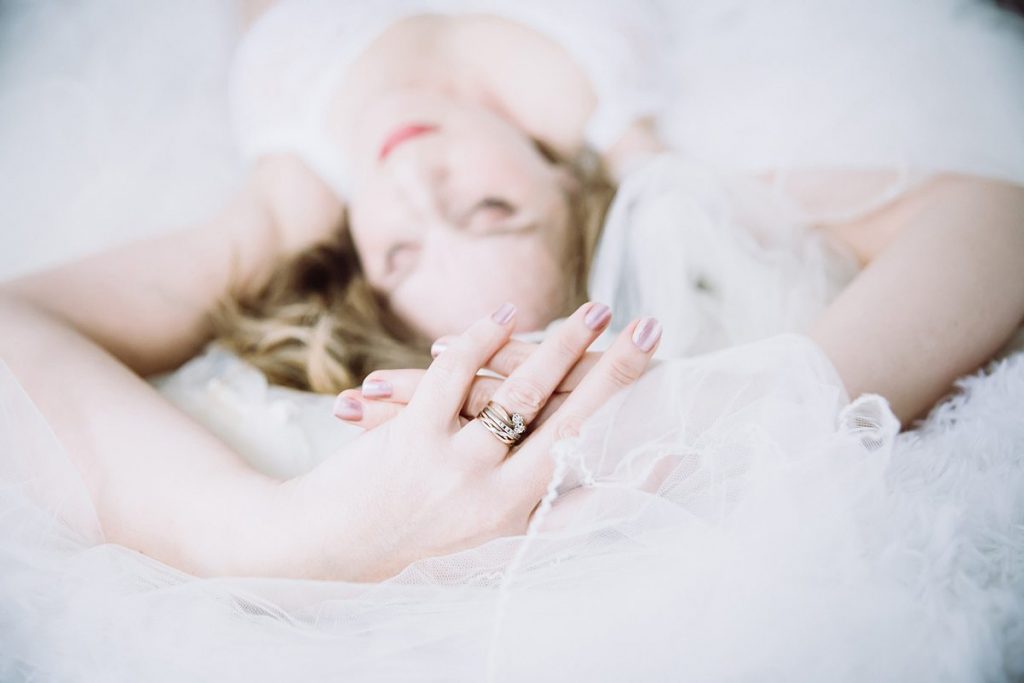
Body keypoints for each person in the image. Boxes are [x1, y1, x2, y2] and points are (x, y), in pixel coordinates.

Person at [0, 0, 1022, 587]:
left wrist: (274, 535)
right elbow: (997, 224)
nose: (416, 184)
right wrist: (738, 405)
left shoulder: (294, 197)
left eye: (399, 251)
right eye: (493, 208)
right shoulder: (626, 154)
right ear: (563, 188)